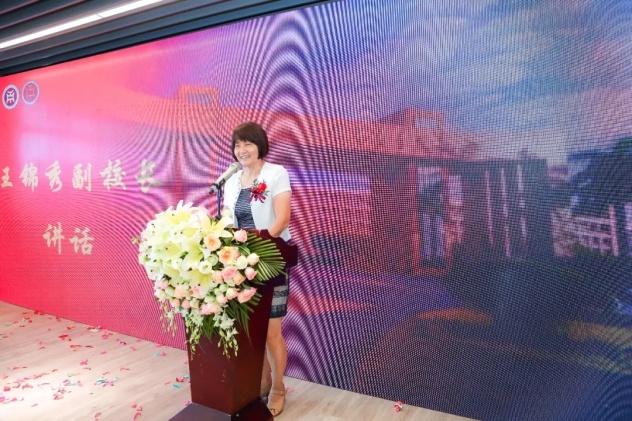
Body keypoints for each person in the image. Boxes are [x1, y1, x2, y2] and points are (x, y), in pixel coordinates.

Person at [222, 122, 291, 417]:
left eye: (247, 144)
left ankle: (278, 387)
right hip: (240, 264)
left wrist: (258, 250)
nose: (242, 150)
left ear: (260, 145)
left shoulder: (276, 173)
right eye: (237, 145)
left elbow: (282, 219)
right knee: (251, 329)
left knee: (271, 330)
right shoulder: (231, 181)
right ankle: (262, 381)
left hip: (271, 259)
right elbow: (228, 219)